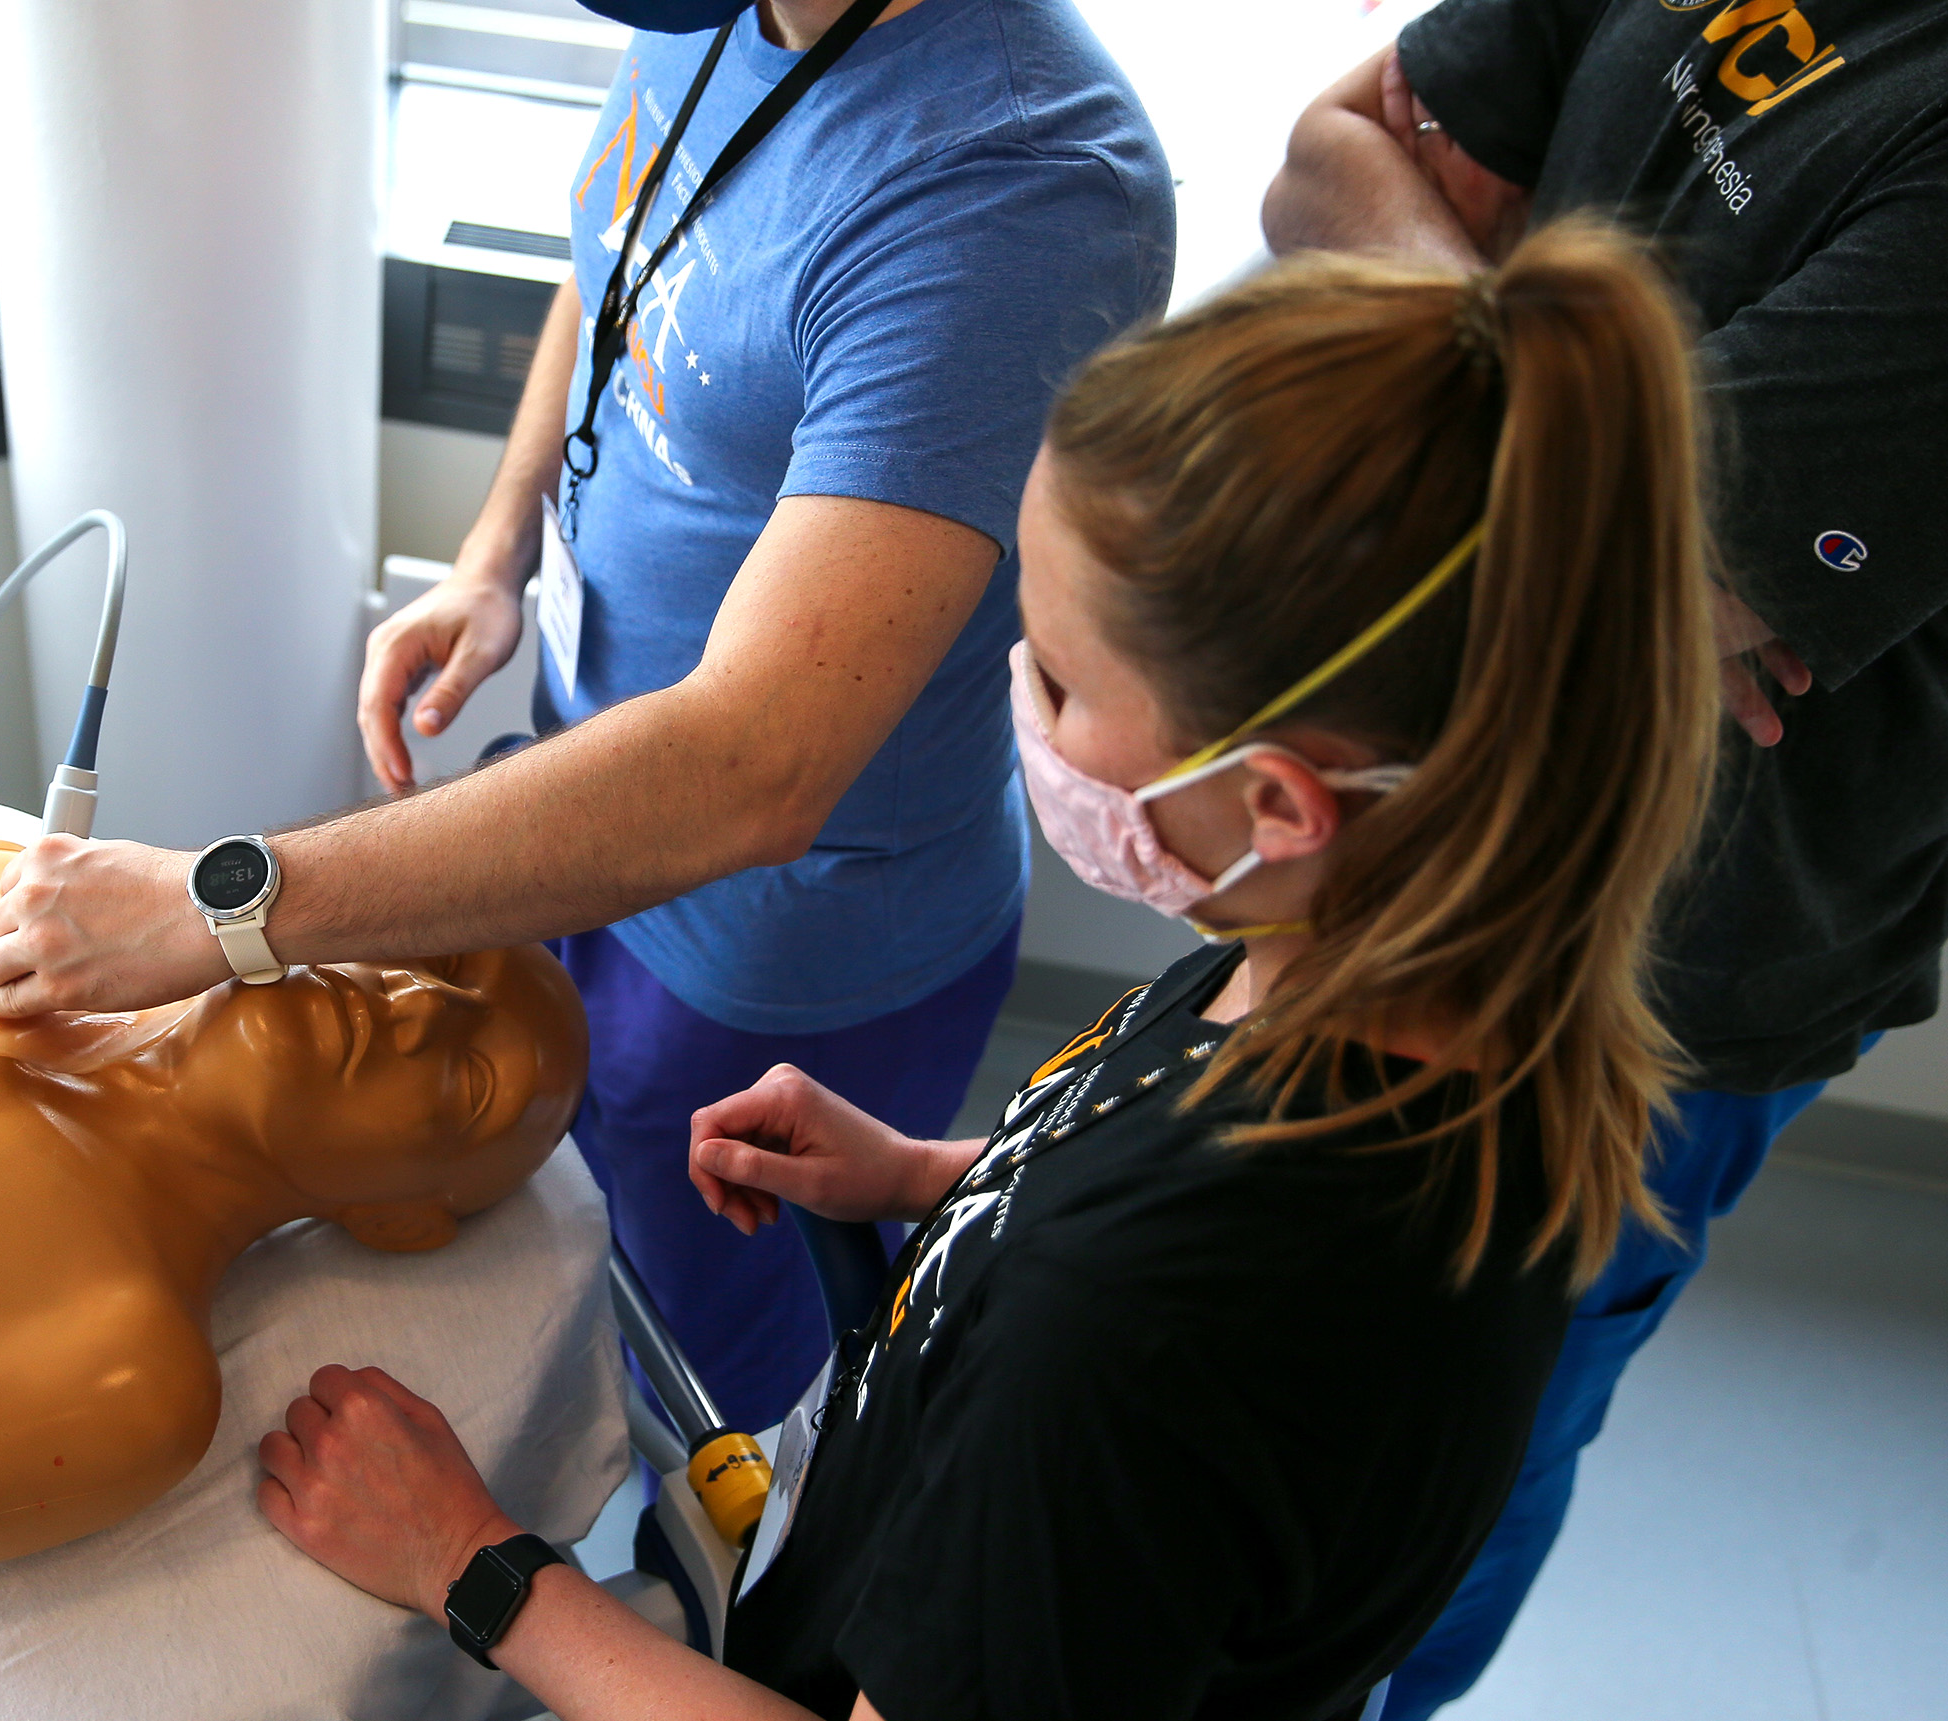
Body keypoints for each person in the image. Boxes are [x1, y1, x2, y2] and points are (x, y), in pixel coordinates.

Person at [253, 223, 1721, 1721]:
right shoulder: (1398, 986)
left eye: (1064, 679)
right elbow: (1155, 1172)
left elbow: (1147, 1336)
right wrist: (934, 1177)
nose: (1017, 691)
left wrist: (475, 1562)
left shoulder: (1141, 1332)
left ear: (1278, 803)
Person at [0, 0, 1172, 1428]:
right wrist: (495, 548)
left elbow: (753, 764)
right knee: (548, 1252)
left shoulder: (1011, 190)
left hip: (782, 942)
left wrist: (220, 905)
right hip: (598, 792)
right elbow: (625, 258)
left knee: (707, 1391)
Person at [1261, 0, 1948, 1709]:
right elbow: (1324, 153)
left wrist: (1491, 426)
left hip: (1650, 967)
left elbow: (1597, 557)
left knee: (1425, 1485)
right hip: (1397, 808)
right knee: (1233, 1348)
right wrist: (1606, 513)